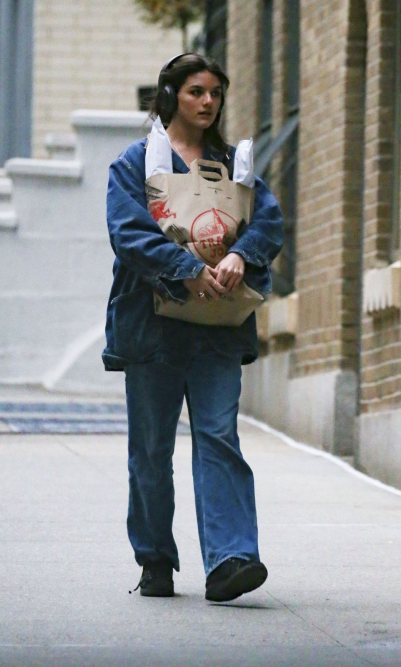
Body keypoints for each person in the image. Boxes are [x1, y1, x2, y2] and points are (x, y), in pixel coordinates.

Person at [103, 53, 284, 602]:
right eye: (197, 92)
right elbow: (128, 233)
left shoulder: (235, 165)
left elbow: (268, 219)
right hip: (153, 329)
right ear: (170, 95)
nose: (208, 102)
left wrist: (241, 257)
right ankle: (155, 558)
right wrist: (187, 269)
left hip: (216, 328)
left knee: (218, 436)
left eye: (216, 94)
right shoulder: (134, 164)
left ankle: (231, 559)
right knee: (153, 450)